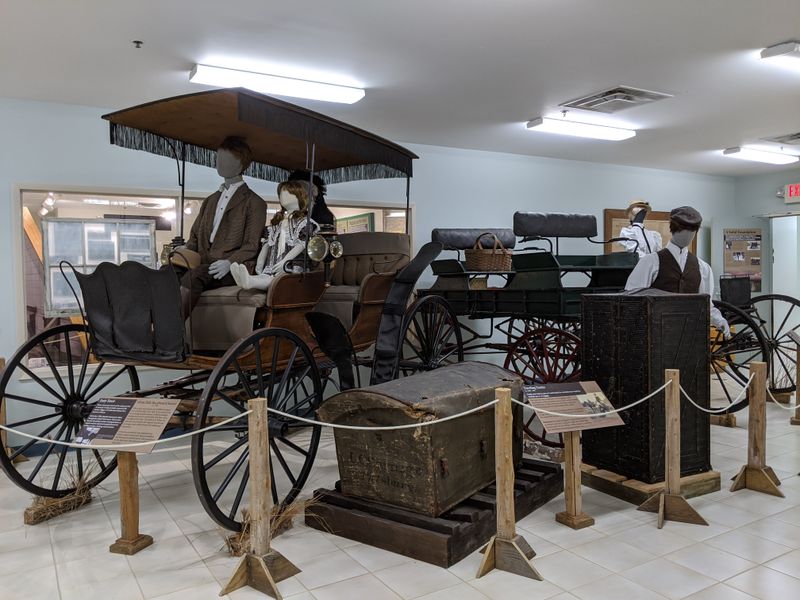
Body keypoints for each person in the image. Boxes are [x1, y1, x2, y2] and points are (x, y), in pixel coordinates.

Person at [179, 136, 266, 314]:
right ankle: (152, 324)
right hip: (203, 262)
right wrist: (184, 253)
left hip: (230, 269)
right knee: (166, 273)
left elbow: (251, 245)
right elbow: (195, 236)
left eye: (224, 159)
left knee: (195, 277)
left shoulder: (254, 202)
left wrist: (229, 262)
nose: (218, 163)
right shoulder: (210, 200)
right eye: (217, 158)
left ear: (240, 164)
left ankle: (170, 332)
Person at [625, 206, 730, 336]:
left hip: (690, 336)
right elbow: (631, 300)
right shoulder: (650, 262)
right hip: (655, 335)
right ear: (673, 230)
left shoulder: (703, 268)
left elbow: (706, 304)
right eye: (683, 230)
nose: (688, 236)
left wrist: (719, 320)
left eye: (692, 231)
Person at [230, 180, 319, 290]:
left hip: (292, 264)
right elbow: (267, 244)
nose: (284, 196)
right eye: (281, 193)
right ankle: (248, 279)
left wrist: (285, 262)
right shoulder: (277, 224)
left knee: (276, 280)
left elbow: (301, 245)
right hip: (274, 262)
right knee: (267, 276)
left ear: (299, 196)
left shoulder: (304, 223)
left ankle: (250, 282)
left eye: (288, 192)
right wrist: (260, 263)